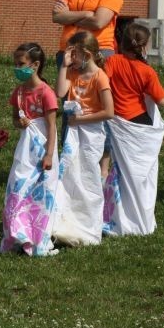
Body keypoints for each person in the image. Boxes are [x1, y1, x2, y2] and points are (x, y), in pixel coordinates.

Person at [103, 23, 164, 236]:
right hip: (139, 123)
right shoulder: (147, 71)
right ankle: (140, 215)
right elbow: (162, 100)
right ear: (145, 45)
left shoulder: (112, 61)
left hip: (117, 121)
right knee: (141, 174)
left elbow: (104, 82)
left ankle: (119, 213)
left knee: (121, 172)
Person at [0, 43, 59, 256]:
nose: (17, 68)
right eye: (15, 64)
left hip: (42, 148)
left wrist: (49, 154)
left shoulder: (46, 93)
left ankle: (36, 235)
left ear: (35, 65)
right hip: (25, 150)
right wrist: (19, 123)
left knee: (40, 192)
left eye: (21, 64)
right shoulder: (19, 92)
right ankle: (17, 232)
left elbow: (51, 126)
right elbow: (16, 119)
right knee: (18, 187)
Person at [52, 31, 113, 246]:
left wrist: (82, 120)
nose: (70, 57)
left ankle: (89, 226)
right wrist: (64, 66)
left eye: (73, 54)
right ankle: (66, 221)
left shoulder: (100, 77)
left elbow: (109, 112)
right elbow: (60, 93)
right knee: (68, 174)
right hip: (74, 129)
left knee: (87, 175)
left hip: (91, 131)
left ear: (86, 54)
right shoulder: (72, 73)